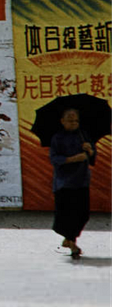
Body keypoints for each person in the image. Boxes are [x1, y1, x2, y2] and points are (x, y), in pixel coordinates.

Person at [48, 107, 96, 259]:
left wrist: (90, 151)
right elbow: (54, 159)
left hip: (81, 181)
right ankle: (72, 244)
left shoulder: (83, 135)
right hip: (64, 183)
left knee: (83, 214)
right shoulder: (57, 138)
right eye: (70, 120)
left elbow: (92, 158)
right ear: (62, 121)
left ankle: (69, 240)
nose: (74, 123)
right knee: (66, 216)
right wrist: (72, 159)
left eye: (76, 120)